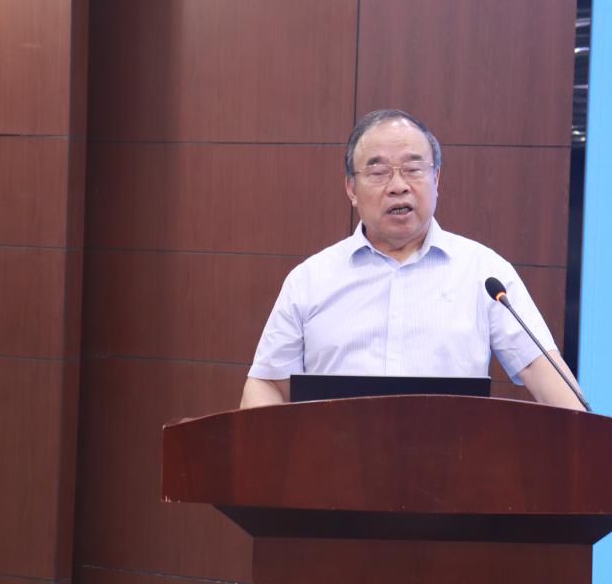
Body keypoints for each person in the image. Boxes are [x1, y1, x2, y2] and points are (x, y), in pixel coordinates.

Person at [240, 109, 586, 411]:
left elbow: (541, 369)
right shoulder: (310, 279)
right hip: (332, 464)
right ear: (351, 188)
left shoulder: (485, 274)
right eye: (378, 173)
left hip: (452, 464)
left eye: (413, 169)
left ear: (436, 179)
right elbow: (269, 384)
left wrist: (586, 439)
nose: (398, 186)